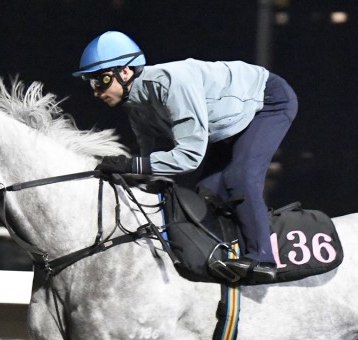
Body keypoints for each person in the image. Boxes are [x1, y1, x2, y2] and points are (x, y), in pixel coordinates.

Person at [73, 31, 298, 283]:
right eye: (91, 83)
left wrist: (131, 164)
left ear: (125, 72)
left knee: (240, 179)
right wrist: (126, 175)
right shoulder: (137, 110)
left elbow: (190, 157)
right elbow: (152, 166)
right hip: (226, 125)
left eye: (101, 80)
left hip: (269, 102)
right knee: (207, 191)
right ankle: (229, 252)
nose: (96, 91)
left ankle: (263, 258)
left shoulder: (172, 84)